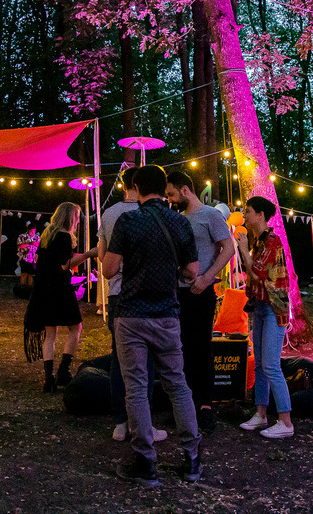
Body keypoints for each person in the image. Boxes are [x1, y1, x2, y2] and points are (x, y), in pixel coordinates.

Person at [103, 164, 202, 486]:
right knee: (177, 384)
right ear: (164, 188)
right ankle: (192, 459)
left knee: (136, 387)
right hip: (167, 314)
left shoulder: (128, 221)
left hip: (131, 315)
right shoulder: (180, 222)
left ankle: (146, 463)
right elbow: (192, 271)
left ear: (136, 187)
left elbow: (109, 270)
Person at [97, 167, 166, 444]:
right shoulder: (150, 214)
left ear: (124, 185)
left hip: (117, 292)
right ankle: (143, 422)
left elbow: (103, 257)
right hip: (147, 291)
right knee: (146, 360)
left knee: (119, 358)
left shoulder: (109, 214)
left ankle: (121, 422)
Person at [166, 170, 236, 433]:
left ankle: (206, 406)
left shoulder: (211, 215)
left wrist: (207, 278)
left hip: (202, 291)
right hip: (178, 292)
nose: (170, 200)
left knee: (201, 348)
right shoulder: (178, 218)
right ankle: (186, 406)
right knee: (180, 349)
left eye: (172, 194)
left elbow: (228, 248)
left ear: (185, 189)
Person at [236, 196, 294, 439]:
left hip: (273, 309)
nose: (244, 215)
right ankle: (261, 414)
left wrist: (242, 249)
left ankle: (286, 422)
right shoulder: (258, 242)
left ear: (260, 215)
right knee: (260, 364)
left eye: (248, 211)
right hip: (260, 306)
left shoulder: (272, 241)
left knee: (271, 365)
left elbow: (257, 272)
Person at [23, 202, 88, 392]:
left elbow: (41, 259)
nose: (78, 221)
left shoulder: (47, 234)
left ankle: (48, 379)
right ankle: (63, 371)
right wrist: (88, 254)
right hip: (60, 289)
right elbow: (65, 265)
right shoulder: (64, 236)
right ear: (70, 218)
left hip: (43, 289)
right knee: (75, 327)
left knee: (50, 334)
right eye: (77, 217)